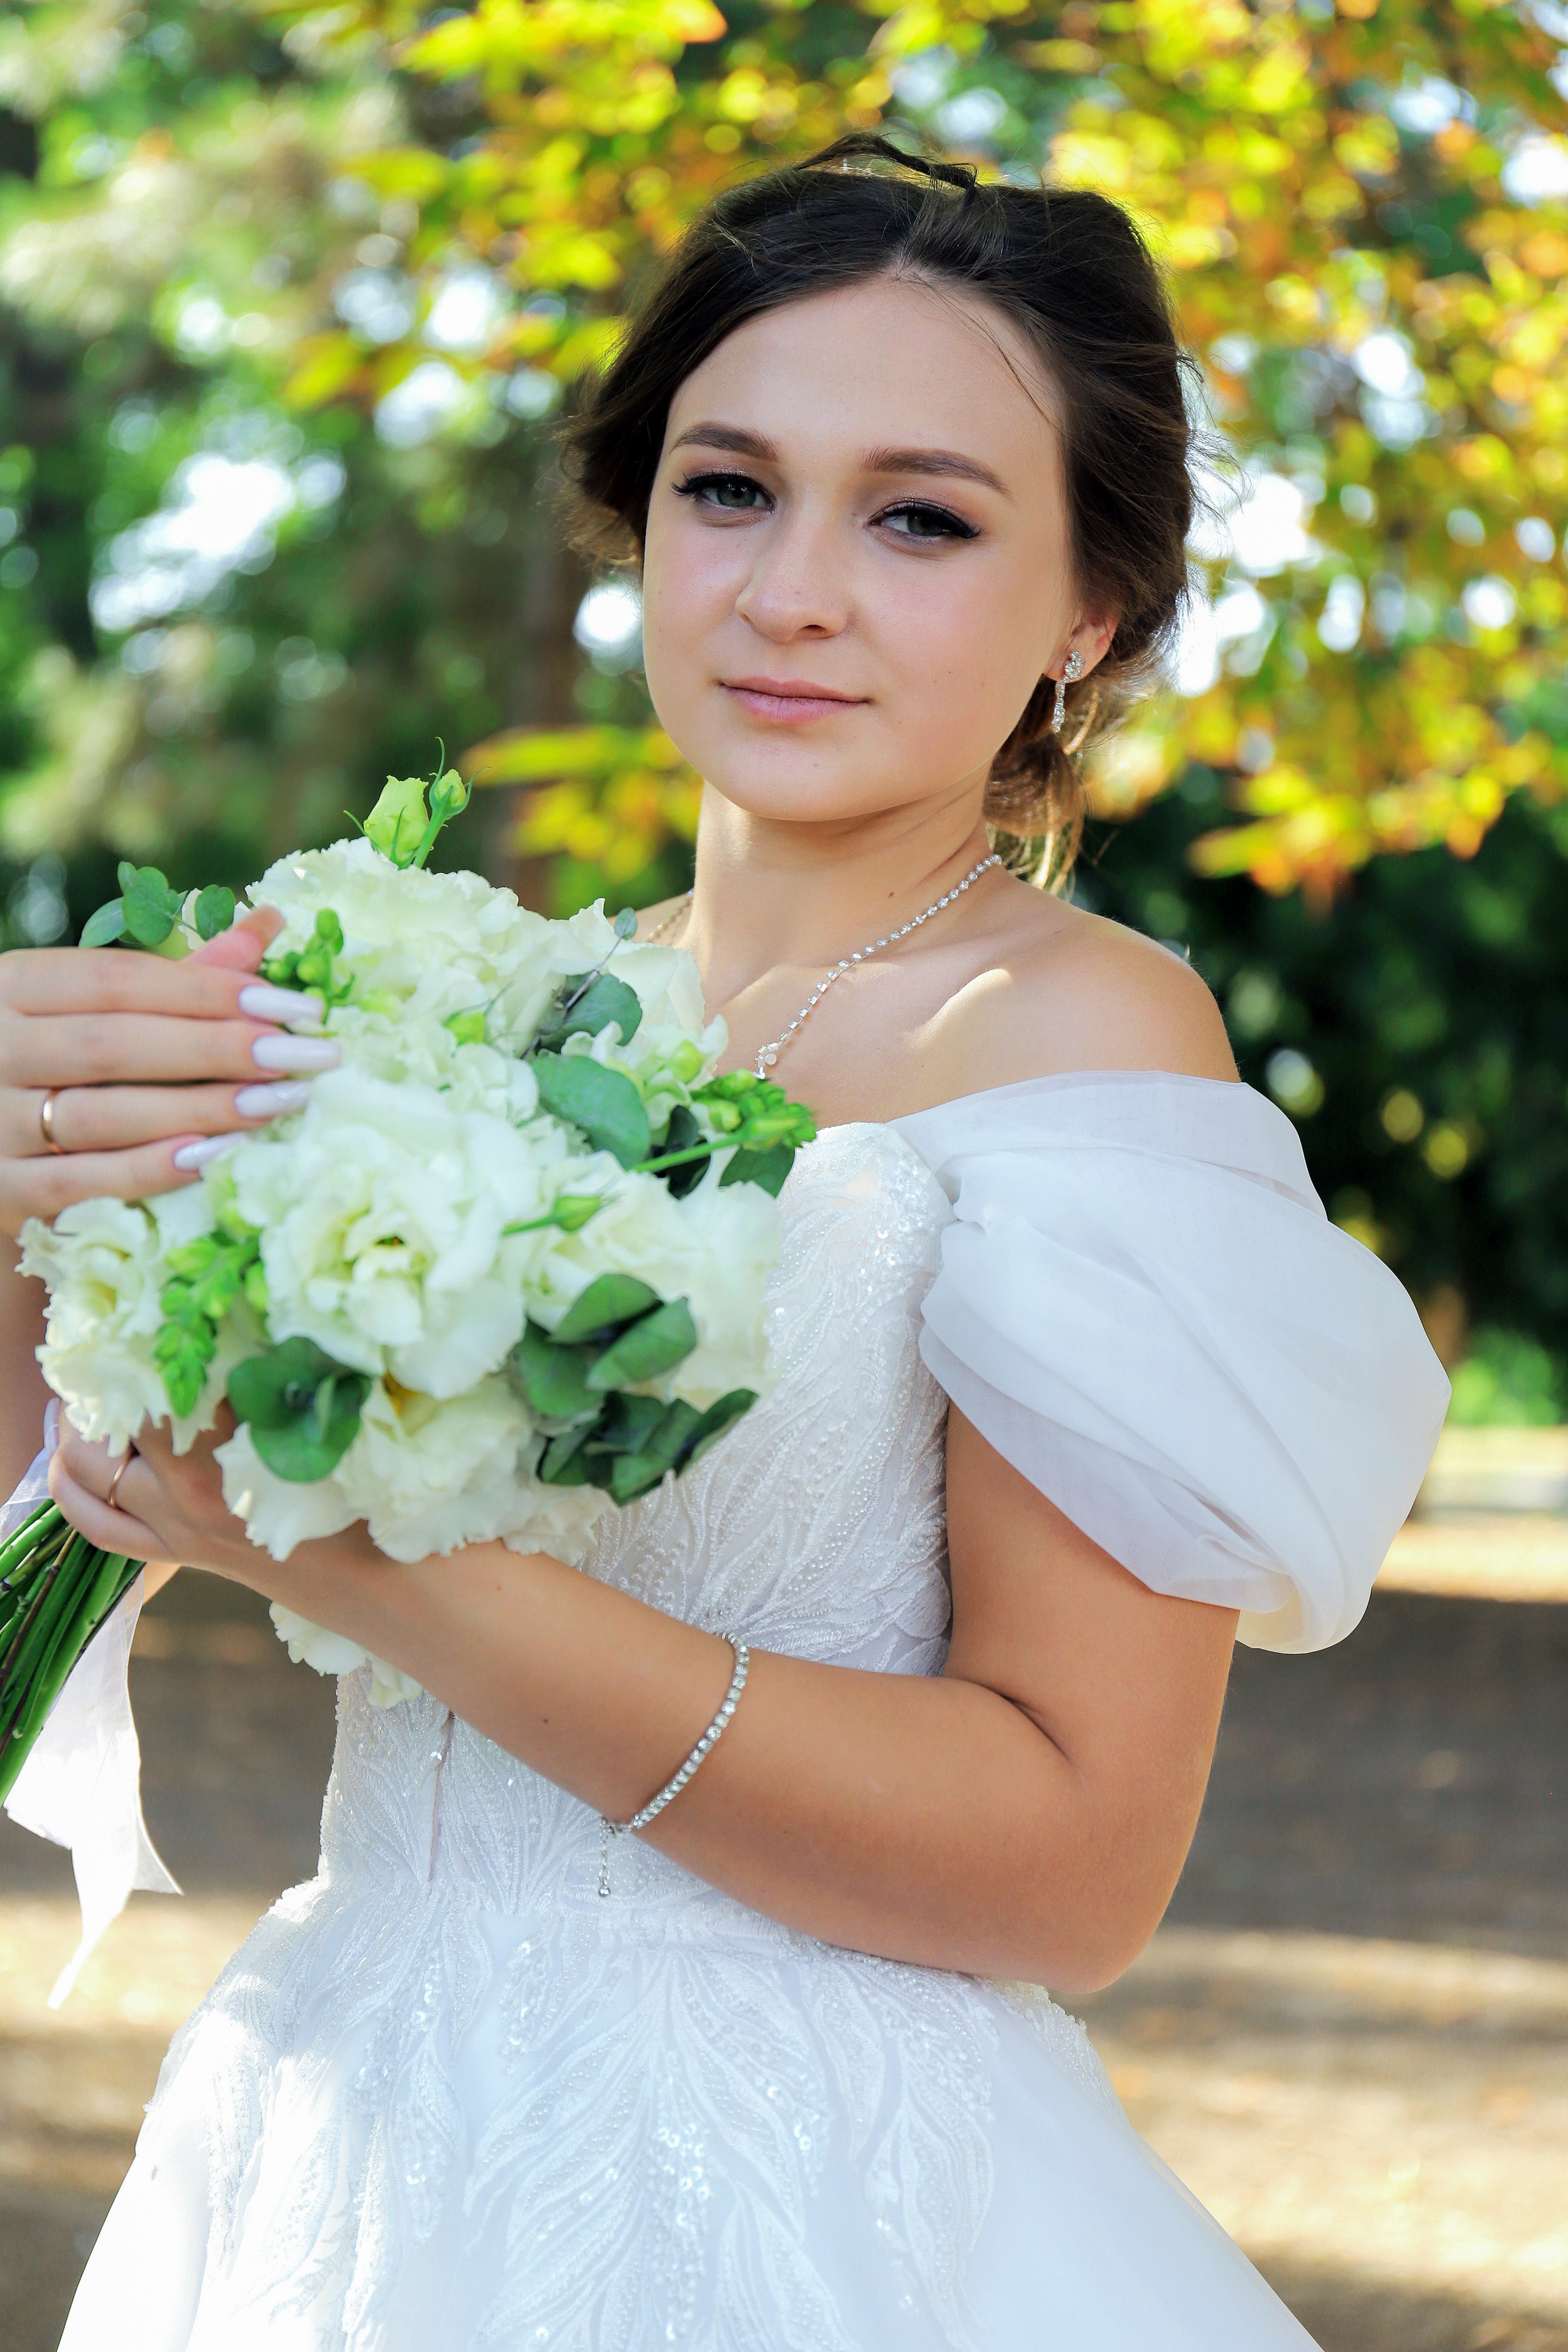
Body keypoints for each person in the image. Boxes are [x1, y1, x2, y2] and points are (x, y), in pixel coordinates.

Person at [1, 138, 1447, 2350]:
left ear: (1093, 615)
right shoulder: (462, 1014)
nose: (789, 591)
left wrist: (362, 1567)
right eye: (728, 487)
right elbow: (76, 1528)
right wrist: (35, 1223)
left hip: (792, 2206)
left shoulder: (1077, 1038)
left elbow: (1071, 1869)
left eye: (924, 519)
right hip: (345, 2138)